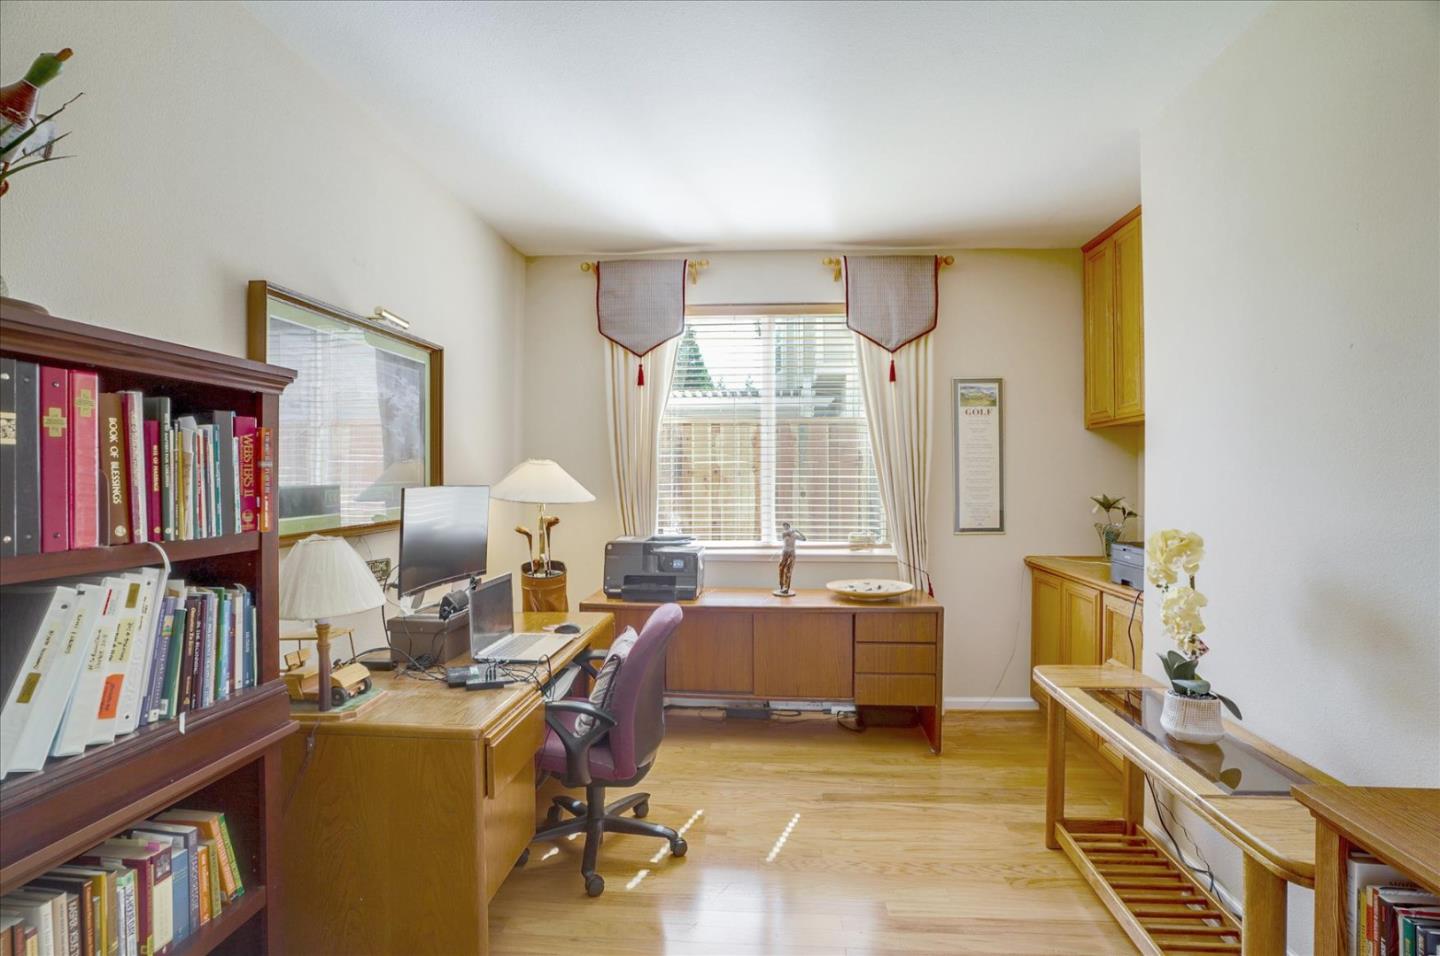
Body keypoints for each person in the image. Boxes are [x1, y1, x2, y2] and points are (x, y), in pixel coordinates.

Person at [775, 522, 807, 596]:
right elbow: (786, 534)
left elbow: (804, 539)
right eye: (784, 526)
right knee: (781, 568)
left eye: (786, 526)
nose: (784, 527)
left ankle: (786, 588)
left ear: (788, 526)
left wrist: (798, 531)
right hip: (784, 553)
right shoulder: (784, 533)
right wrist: (793, 530)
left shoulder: (794, 535)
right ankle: (781, 585)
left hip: (792, 553)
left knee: (788, 570)